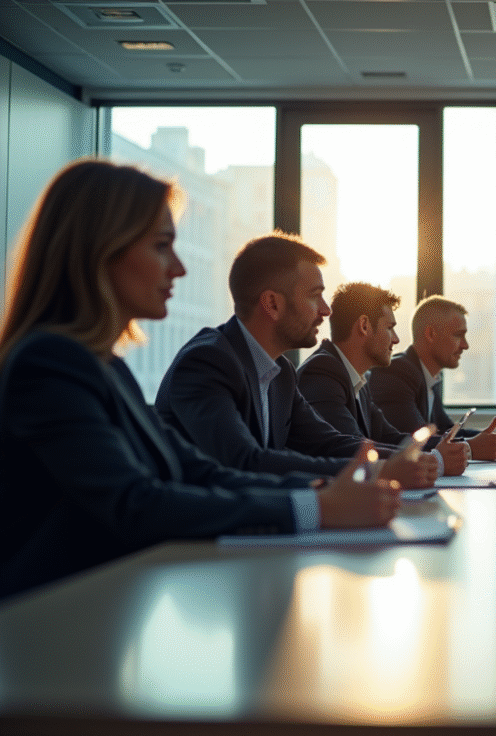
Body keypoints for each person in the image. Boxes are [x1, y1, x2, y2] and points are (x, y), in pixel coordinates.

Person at [0, 160, 400, 600]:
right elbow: (136, 503)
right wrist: (317, 507)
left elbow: (195, 470)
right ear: (100, 252)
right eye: (161, 247)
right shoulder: (50, 365)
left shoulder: (106, 368)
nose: (179, 268)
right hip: (43, 632)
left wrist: (324, 492)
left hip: (99, 613)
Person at [155, 232, 435, 488]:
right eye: (315, 296)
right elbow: (244, 462)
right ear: (273, 304)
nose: (326, 310)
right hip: (197, 539)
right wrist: (378, 470)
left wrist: (414, 459)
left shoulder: (281, 372)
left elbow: (326, 443)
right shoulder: (208, 362)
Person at [297, 282, 470, 476]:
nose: (396, 339)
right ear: (364, 326)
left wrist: (450, 450)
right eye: (390, 328)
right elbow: (351, 448)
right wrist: (434, 459)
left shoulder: (358, 381)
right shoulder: (323, 372)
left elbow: (391, 438)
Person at [368, 295, 496, 459]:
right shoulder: (397, 372)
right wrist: (475, 446)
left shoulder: (428, 377)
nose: (465, 345)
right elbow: (416, 440)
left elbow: (448, 431)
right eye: (458, 335)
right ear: (431, 334)